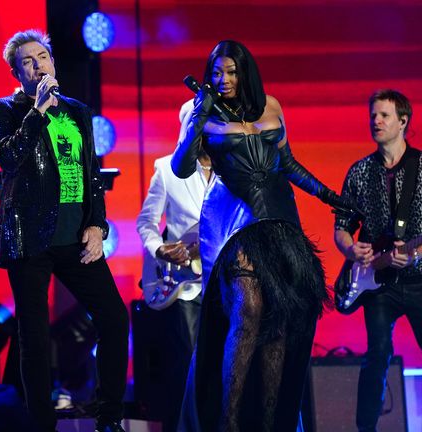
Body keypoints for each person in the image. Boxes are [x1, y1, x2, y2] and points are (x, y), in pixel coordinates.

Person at [171, 40, 353, 431]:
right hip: (235, 223)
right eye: (217, 72)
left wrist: (328, 195)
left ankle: (272, 423)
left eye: (232, 72)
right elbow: (182, 166)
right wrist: (198, 120)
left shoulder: (271, 106)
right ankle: (228, 420)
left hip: (281, 221)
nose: (224, 79)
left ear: (245, 72)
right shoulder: (198, 111)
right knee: (248, 308)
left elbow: (286, 163)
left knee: (278, 321)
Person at [0, 29, 129, 432]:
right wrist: (38, 112)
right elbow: (9, 158)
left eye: (43, 57)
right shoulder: (1, 110)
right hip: (30, 238)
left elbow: (92, 174)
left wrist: (98, 223)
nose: (38, 65)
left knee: (114, 318)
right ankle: (41, 424)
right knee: (32, 334)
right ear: (17, 73)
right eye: (28, 61)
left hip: (76, 234)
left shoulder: (78, 111)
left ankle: (110, 416)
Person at [334, 89, 422, 432]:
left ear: (403, 121)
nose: (376, 121)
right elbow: (342, 227)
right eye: (373, 115)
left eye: (384, 115)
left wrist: (414, 255)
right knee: (377, 355)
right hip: (377, 284)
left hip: (417, 281)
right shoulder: (359, 172)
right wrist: (349, 249)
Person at [135, 109, 210, 432]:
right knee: (188, 366)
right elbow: (146, 223)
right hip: (183, 285)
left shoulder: (233, 172)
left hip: (223, 283)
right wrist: (161, 249)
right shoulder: (167, 170)